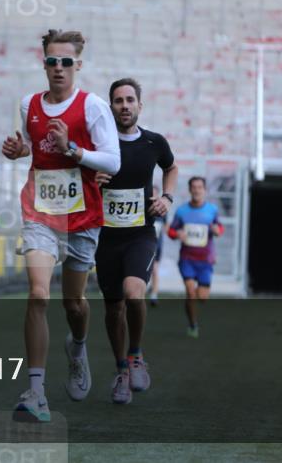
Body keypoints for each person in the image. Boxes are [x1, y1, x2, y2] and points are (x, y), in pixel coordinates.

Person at [2, 30, 120, 422]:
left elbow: (113, 162)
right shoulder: (28, 104)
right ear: (44, 64)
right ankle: (35, 392)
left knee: (74, 303)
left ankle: (79, 346)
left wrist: (75, 150)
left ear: (78, 65)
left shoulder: (93, 107)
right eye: (52, 61)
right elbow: (33, 148)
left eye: (65, 62)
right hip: (39, 213)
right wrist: (20, 150)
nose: (58, 68)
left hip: (83, 217)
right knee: (38, 294)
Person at [95, 78, 177, 404]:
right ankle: (121, 372)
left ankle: (136, 354)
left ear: (139, 106)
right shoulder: (99, 145)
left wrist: (167, 197)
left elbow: (171, 168)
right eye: (118, 101)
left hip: (141, 234)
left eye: (130, 100)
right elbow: (77, 178)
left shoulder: (154, 142)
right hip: (105, 238)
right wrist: (92, 180)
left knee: (134, 292)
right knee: (113, 308)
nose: (125, 106)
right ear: (110, 106)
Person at [167, 176, 224, 338]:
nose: (197, 190)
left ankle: (195, 309)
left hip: (206, 260)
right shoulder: (182, 211)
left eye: (200, 187)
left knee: (202, 297)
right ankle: (192, 324)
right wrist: (177, 234)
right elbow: (171, 231)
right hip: (187, 259)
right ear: (190, 190)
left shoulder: (212, 210)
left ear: (204, 190)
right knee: (191, 292)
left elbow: (219, 227)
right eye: (194, 187)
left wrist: (217, 230)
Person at [148, 185, 168, 308]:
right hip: (143, 244)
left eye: (155, 194)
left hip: (156, 246)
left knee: (155, 269)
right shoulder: (143, 209)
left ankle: (154, 294)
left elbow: (165, 228)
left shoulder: (162, 211)